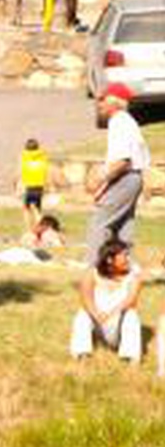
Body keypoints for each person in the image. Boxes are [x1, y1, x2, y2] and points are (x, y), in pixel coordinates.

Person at [87, 82, 148, 263]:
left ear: (115, 102)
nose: (99, 104)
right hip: (132, 178)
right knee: (123, 226)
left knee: (99, 223)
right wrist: (104, 188)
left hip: (125, 177)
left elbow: (122, 161)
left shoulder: (118, 122)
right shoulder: (127, 121)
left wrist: (101, 178)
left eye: (103, 100)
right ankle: (125, 267)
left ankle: (94, 266)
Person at [70, 240, 143, 364]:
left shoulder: (134, 277)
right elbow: (86, 299)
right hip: (98, 323)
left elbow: (130, 301)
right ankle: (82, 354)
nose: (128, 259)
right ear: (109, 259)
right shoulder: (91, 273)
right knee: (82, 314)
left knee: (131, 315)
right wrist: (97, 315)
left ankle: (130, 358)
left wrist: (110, 314)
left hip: (118, 327)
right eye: (125, 255)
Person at [19, 135, 48, 239]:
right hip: (39, 186)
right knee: (37, 210)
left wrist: (18, 186)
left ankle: (28, 231)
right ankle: (41, 230)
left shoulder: (24, 157)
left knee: (26, 209)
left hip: (28, 186)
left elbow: (20, 172)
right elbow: (45, 171)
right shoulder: (42, 157)